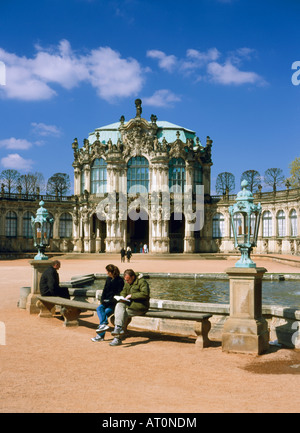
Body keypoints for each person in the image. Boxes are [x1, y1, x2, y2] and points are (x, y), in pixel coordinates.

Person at [110, 269, 150, 346]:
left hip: (140, 306)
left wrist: (132, 296)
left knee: (121, 316)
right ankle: (118, 328)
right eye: (126, 280)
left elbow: (145, 294)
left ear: (133, 277)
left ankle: (117, 338)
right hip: (130, 305)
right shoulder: (127, 282)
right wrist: (122, 296)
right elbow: (124, 291)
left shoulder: (142, 282)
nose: (127, 282)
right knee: (119, 304)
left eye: (128, 280)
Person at [91, 264, 124, 342]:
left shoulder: (120, 280)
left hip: (113, 304)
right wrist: (103, 300)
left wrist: (110, 300)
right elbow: (104, 290)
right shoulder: (108, 279)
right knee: (99, 308)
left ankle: (100, 336)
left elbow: (119, 294)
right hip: (106, 302)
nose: (106, 273)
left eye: (107, 272)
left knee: (104, 314)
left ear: (111, 272)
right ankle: (103, 325)